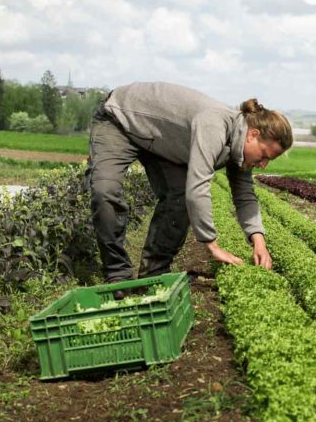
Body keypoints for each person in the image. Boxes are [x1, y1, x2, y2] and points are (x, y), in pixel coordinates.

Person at [87, 81, 293, 286]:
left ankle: (153, 273)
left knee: (178, 198)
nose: (264, 165)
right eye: (265, 155)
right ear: (253, 135)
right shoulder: (215, 124)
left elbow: (244, 195)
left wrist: (258, 240)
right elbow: (198, 186)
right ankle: (117, 273)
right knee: (106, 191)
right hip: (120, 120)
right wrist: (212, 245)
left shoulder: (240, 148)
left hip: (160, 139)